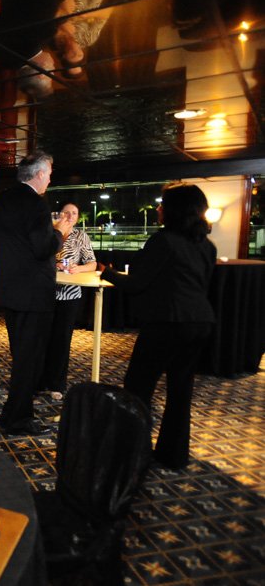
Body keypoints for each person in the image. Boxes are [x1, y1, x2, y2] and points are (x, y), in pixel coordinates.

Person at [99, 184, 216, 469]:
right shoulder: (207, 246)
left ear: (175, 209)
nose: (158, 208)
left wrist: (105, 272)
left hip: (168, 323)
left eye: (163, 203)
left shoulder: (163, 241)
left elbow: (136, 284)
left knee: (138, 387)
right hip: (200, 322)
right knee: (181, 389)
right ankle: (173, 455)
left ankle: (133, 454)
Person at [0, 151, 69, 436]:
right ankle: (18, 420)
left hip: (8, 293)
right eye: (49, 174)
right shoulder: (37, 205)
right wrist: (60, 232)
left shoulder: (1, 200)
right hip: (33, 294)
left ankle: (12, 415)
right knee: (29, 360)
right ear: (38, 174)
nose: (50, 179)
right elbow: (42, 249)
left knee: (22, 356)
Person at [38, 202, 97, 399]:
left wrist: (77, 268)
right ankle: (39, 381)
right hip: (45, 293)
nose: (70, 216)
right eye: (66, 212)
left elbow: (92, 263)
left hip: (70, 295)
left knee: (62, 340)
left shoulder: (81, 236)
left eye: (74, 213)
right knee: (42, 338)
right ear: (59, 215)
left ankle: (56, 384)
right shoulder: (48, 233)